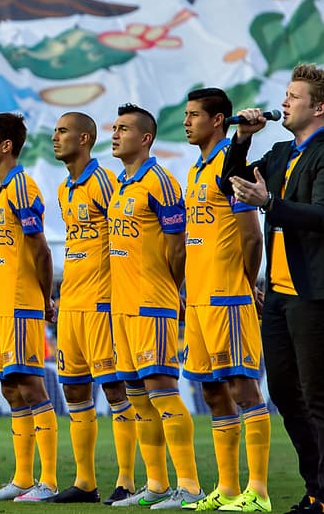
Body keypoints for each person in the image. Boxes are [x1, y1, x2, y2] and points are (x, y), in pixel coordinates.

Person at [224, 64, 324, 514]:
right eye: (284, 95)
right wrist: (242, 140)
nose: (283, 103)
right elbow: (232, 184)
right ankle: (314, 489)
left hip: (315, 289)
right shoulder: (280, 152)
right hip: (278, 294)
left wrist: (271, 204)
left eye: (293, 96)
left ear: (318, 107)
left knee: (317, 391)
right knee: (283, 390)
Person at [107, 104, 203, 509]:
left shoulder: (160, 181)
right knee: (137, 396)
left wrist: (168, 287)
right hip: (121, 307)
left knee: (162, 392)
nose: (115, 134)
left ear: (145, 139)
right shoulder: (120, 183)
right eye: (114, 127)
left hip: (151, 304)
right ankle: (158, 484)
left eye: (123, 129)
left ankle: (190, 486)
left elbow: (177, 247)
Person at [181, 89, 272, 513]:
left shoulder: (230, 164)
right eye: (186, 115)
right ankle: (230, 489)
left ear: (218, 120)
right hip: (198, 300)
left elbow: (251, 235)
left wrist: (244, 282)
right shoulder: (196, 169)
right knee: (214, 394)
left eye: (195, 115)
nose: (187, 122)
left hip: (228, 298)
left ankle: (260, 492)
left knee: (243, 389)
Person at [49, 112, 136, 505]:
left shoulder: (104, 182)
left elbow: (124, 242)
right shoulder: (65, 188)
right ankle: (85, 482)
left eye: (62, 131)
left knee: (115, 389)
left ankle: (127, 481)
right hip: (71, 304)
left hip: (102, 303)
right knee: (74, 390)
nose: (55, 137)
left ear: (84, 139)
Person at [0, 113, 59, 503]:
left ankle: (48, 480)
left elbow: (40, 248)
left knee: (29, 384)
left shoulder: (22, 186)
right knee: (10, 388)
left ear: (5, 145)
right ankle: (23, 478)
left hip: (23, 303)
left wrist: (44, 298)